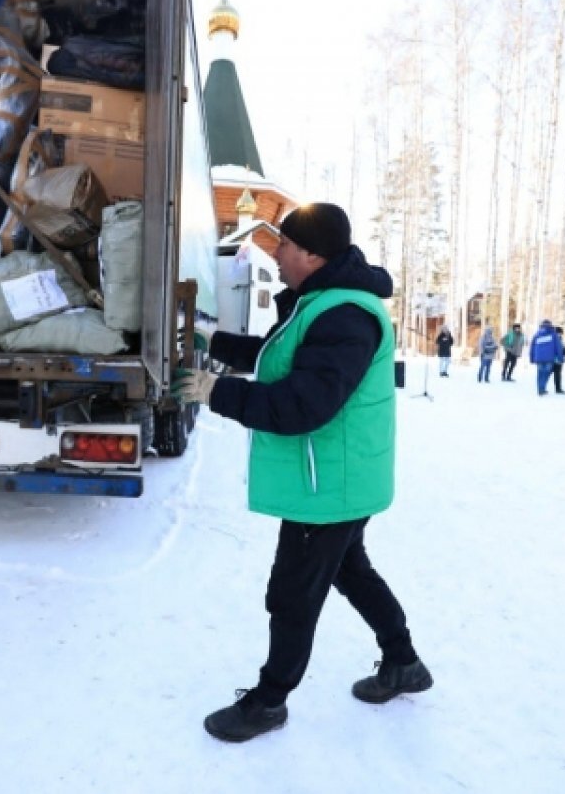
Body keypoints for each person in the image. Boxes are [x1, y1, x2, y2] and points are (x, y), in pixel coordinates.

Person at [174, 203, 431, 743]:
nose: (278, 253)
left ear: (312, 254)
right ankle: (403, 661)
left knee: (293, 592)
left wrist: (215, 391)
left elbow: (302, 404)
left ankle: (269, 701)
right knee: (349, 570)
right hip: (339, 478)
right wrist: (214, 347)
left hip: (331, 484)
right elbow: (280, 357)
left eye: (286, 245)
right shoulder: (322, 304)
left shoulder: (345, 315)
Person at [529, 319, 563, 396]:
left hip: (539, 358)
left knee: (540, 374)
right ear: (551, 325)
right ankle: (542, 388)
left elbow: (532, 347)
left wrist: (531, 357)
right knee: (546, 373)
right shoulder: (553, 334)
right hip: (549, 358)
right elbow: (558, 347)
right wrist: (560, 358)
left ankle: (540, 389)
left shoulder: (537, 334)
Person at [552, 326, 565, 394]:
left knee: (558, 375)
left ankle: (558, 388)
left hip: (559, 360)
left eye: (560, 333)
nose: (559, 334)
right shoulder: (552, 339)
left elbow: (563, 348)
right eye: (558, 333)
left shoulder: (561, 339)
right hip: (553, 359)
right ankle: (542, 387)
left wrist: (564, 352)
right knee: (547, 374)